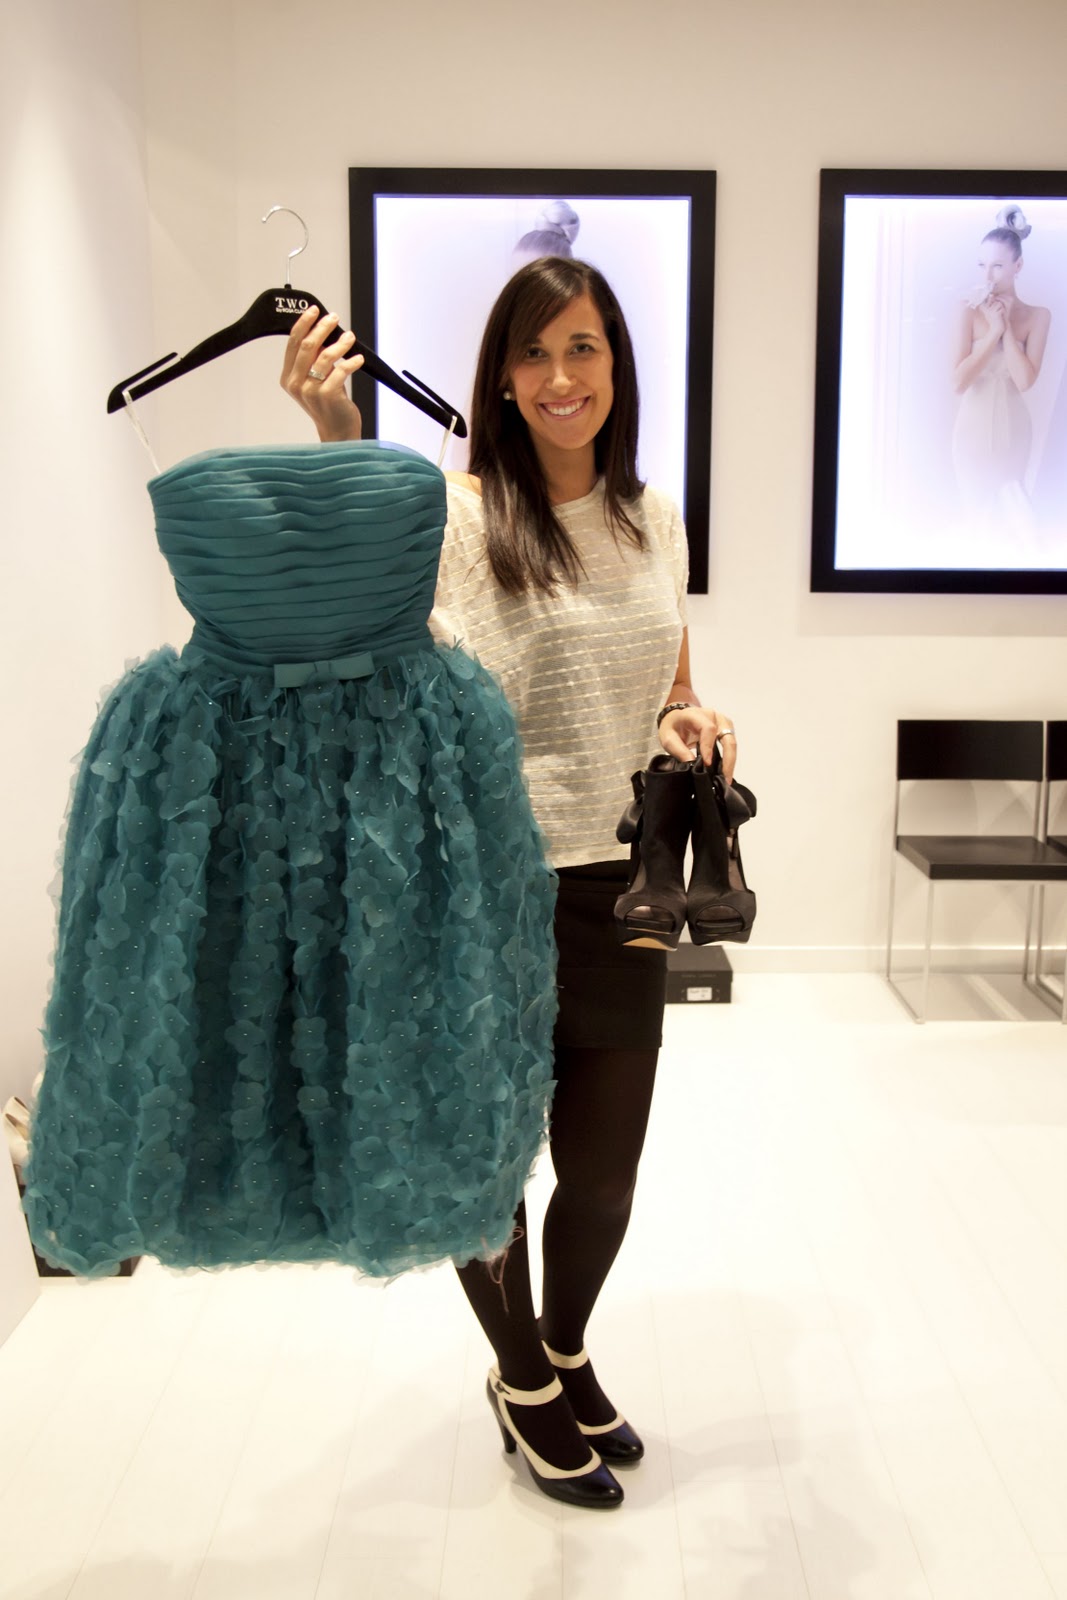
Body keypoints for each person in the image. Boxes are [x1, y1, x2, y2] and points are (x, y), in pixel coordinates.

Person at [281, 257, 737, 1510]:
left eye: (580, 347)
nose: (557, 376)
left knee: (602, 1174)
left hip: (619, 884)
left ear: (615, 365)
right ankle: (523, 1377)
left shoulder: (654, 519)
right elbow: (354, 594)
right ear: (498, 377)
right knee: (482, 1163)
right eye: (531, 353)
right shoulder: (457, 515)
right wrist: (336, 432)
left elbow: (668, 684)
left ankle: (563, 1346)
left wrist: (690, 720)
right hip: (480, 885)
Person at [952, 206, 1051, 523]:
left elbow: (1024, 381)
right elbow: (958, 383)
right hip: (970, 431)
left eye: (997, 266)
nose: (987, 276)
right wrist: (992, 330)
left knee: (1013, 517)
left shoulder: (1038, 316)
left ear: (1017, 265)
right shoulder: (967, 310)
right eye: (982, 265)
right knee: (976, 517)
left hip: (1015, 432)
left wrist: (1006, 328)